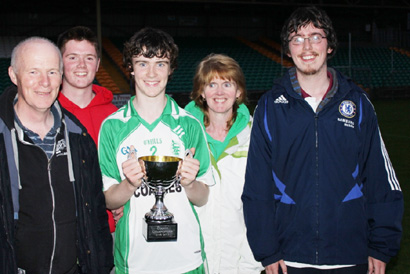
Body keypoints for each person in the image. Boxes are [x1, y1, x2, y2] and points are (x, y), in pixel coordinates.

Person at [242, 6, 403, 274]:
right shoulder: (270, 107)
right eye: (297, 38)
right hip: (288, 258)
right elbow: (257, 187)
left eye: (315, 36)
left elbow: (381, 178)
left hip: (350, 255)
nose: (306, 46)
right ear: (288, 48)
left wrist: (381, 245)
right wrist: (267, 250)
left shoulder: (358, 103)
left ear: (329, 45)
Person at [0, 37, 113, 273]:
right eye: (33, 72)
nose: (45, 82)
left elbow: (95, 216)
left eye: (52, 72)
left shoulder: (78, 137)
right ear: (14, 75)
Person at [98, 27, 215, 274]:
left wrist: (190, 182)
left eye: (160, 64)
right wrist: (128, 185)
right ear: (129, 67)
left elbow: (202, 197)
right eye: (142, 63)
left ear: (171, 69)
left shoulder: (189, 124)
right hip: (135, 261)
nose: (151, 73)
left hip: (186, 259)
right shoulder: (112, 127)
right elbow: (108, 199)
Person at [185, 53, 263, 274]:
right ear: (201, 91)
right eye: (212, 84)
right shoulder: (182, 134)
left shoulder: (256, 134)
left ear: (238, 91)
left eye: (227, 84)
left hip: (241, 261)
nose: (219, 92)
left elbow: (265, 201)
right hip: (191, 260)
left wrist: (252, 261)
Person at [57, 25, 120, 234]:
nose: (82, 65)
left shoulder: (116, 117)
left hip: (108, 231)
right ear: (60, 62)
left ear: (98, 64)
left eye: (89, 58)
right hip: (61, 233)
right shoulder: (45, 113)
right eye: (73, 57)